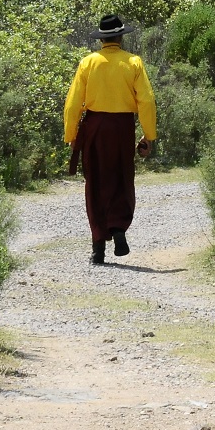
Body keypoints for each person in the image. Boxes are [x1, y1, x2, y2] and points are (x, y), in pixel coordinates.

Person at [64, 14, 158, 264]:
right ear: (120, 37)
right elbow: (147, 100)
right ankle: (118, 229)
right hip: (122, 128)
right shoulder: (133, 62)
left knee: (94, 182)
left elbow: (73, 102)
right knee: (121, 178)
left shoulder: (88, 63)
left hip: (94, 127)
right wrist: (148, 136)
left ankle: (97, 247)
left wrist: (71, 135)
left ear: (102, 39)